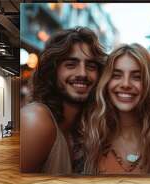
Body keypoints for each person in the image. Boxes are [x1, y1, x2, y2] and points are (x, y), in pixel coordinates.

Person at [82, 44, 150, 175]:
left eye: (136, 77)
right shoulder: (89, 136)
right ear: (106, 82)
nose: (126, 84)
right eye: (117, 75)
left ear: (149, 83)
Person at [20, 27, 107, 174]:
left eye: (91, 66)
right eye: (71, 65)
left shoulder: (81, 131)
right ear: (53, 71)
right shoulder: (35, 119)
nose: (82, 73)